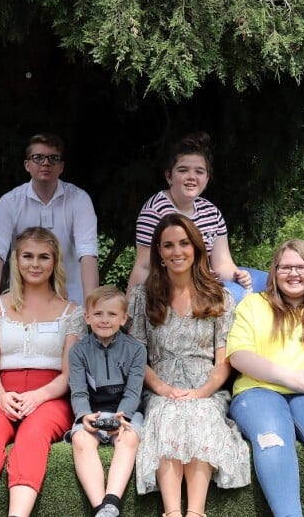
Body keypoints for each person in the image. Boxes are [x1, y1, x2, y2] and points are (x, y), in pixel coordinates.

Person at [127, 213, 250, 517]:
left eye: (184, 243)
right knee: (168, 415)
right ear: (159, 252)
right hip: (159, 385)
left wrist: (201, 392)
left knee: (200, 415)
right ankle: (172, 512)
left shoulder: (219, 295)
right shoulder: (143, 296)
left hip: (206, 385)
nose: (177, 251)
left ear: (196, 247)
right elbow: (135, 356)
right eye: (168, 245)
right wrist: (162, 388)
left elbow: (224, 362)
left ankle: (195, 513)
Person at [0, 226, 86, 517]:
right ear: (16, 260)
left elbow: (69, 374)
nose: (35, 264)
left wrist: (39, 396)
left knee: (33, 434)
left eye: (44, 257)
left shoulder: (72, 312)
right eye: (27, 256)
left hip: (51, 394)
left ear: (54, 262)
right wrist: (2, 397)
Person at [226, 239, 304, 517]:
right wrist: (289, 377)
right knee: (273, 440)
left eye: (301, 267)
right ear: (274, 271)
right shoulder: (253, 305)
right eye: (285, 267)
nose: (293, 274)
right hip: (258, 391)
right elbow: (239, 356)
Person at [125, 132, 267, 304]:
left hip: (209, 279)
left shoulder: (211, 211)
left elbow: (222, 264)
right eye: (183, 170)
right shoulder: (155, 211)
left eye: (199, 171)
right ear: (169, 176)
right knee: (239, 297)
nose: (191, 177)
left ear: (207, 179)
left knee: (272, 281)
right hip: (179, 288)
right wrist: (130, 312)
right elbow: (144, 266)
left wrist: (239, 276)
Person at [0, 132, 99, 306]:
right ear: (27, 165)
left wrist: (92, 308)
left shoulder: (79, 199)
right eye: (38, 157)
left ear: (61, 167)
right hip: (20, 301)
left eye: (53, 158)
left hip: (71, 299)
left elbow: (88, 253)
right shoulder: (9, 202)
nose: (46, 163)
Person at [67, 285, 146, 517]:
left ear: (123, 318)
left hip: (124, 411)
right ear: (87, 317)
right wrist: (84, 415)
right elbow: (79, 392)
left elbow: (133, 392)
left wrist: (123, 416)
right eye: (98, 314)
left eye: (112, 314)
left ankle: (112, 500)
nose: (104, 320)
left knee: (128, 437)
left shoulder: (136, 350)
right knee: (81, 439)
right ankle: (100, 508)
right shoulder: (78, 352)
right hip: (93, 412)